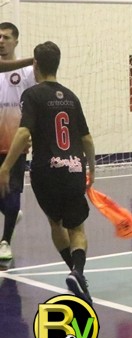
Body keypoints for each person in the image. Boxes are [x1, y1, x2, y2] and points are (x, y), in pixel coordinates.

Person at [0, 42, 96, 305]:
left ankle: (74, 273)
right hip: (73, 168)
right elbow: (86, 139)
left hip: (45, 172)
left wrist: (6, 166)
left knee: (56, 224)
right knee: (77, 228)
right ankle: (78, 271)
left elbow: (23, 132)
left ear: (35, 65)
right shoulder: (72, 96)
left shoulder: (31, 95)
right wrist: (92, 168)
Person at [0, 23, 36, 261]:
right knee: (5, 197)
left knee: (11, 191)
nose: (1, 41)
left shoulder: (27, 74)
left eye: (6, 37)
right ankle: (11, 211)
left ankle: (5, 241)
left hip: (14, 144)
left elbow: (35, 104)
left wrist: (32, 132)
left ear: (16, 41)